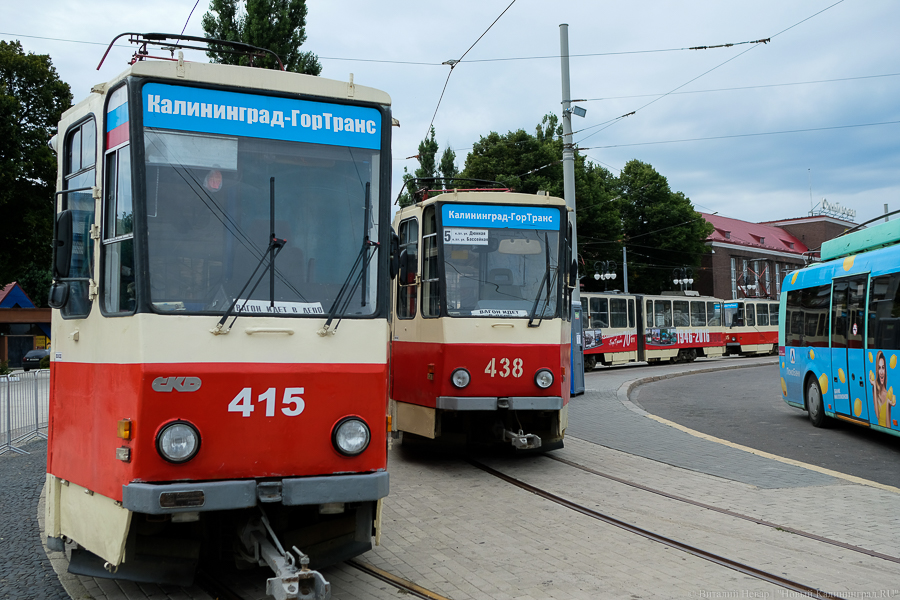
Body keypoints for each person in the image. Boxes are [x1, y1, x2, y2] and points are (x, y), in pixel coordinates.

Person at [872, 351, 896, 428]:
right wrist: (874, 385)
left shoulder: (888, 394)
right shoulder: (875, 390)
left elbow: (888, 427)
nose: (881, 372)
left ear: (885, 370)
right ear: (877, 370)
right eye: (879, 368)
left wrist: (888, 403)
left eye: (883, 367)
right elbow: (877, 415)